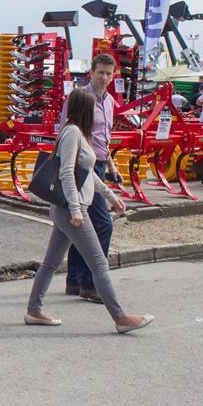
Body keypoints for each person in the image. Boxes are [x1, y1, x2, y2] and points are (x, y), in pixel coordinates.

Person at [25, 88, 153, 333]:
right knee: (99, 263)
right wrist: (75, 209)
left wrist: (110, 196)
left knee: (51, 263)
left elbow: (88, 174)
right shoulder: (73, 133)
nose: (97, 113)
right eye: (93, 108)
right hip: (71, 210)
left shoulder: (78, 133)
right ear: (85, 110)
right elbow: (67, 172)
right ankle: (120, 317)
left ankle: (34, 310)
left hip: (66, 209)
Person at [58, 53, 121, 303]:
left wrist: (111, 164)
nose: (104, 77)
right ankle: (90, 283)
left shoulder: (110, 102)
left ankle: (74, 280)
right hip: (83, 168)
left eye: (109, 73)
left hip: (100, 165)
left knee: (82, 225)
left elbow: (105, 138)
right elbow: (65, 130)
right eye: (100, 72)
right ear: (91, 72)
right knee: (103, 224)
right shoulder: (79, 98)